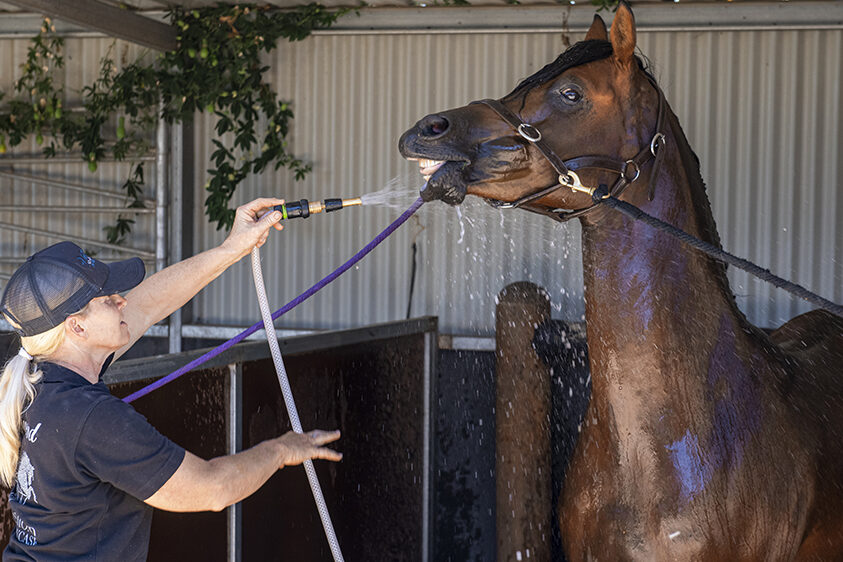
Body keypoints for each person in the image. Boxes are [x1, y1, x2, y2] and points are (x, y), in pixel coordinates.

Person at [0, 198, 342, 560]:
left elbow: (149, 303)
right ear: (77, 326)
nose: (122, 302)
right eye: (107, 299)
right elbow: (212, 489)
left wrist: (231, 248)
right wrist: (282, 449)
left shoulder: (39, 380)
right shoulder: (92, 420)